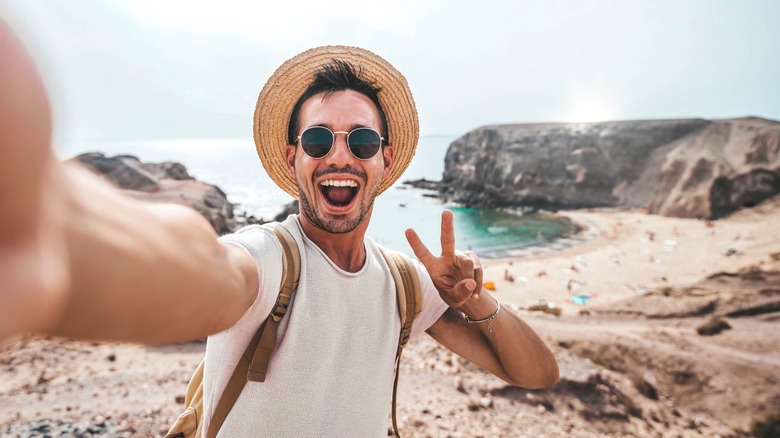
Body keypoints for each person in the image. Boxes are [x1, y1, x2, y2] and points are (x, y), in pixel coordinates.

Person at [0, 23, 558, 436]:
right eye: (319, 140)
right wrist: (54, 231)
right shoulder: (267, 257)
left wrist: (478, 302)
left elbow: (536, 373)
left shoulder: (405, 284)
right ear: (294, 156)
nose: (339, 155)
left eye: (360, 141)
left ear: (384, 160)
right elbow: (209, 275)